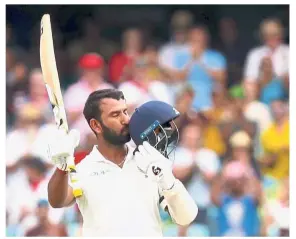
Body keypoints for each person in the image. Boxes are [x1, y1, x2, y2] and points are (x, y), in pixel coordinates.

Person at [47, 89, 198, 236]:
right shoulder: (84, 168)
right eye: (115, 114)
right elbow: (57, 201)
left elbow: (185, 218)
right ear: (96, 125)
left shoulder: (148, 160)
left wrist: (167, 180)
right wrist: (62, 168)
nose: (126, 120)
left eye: (125, 112)